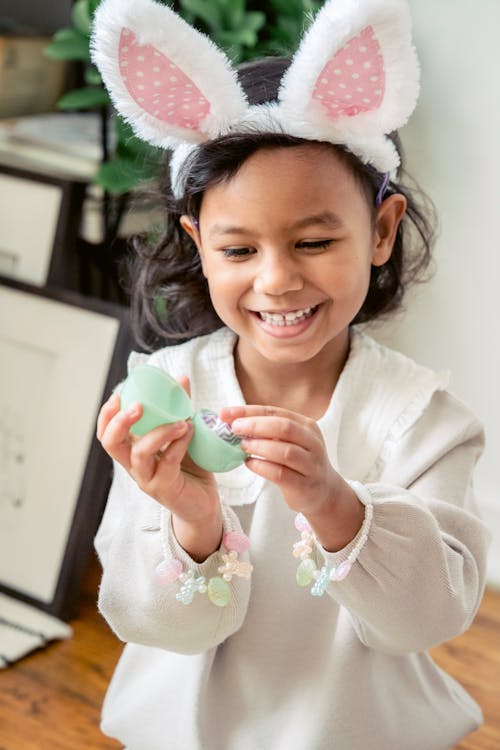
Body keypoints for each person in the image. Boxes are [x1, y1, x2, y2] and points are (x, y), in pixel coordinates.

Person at [92, 0, 490, 748]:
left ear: (379, 230)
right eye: (239, 250)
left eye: (312, 240)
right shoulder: (164, 397)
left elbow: (427, 621)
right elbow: (150, 626)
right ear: (198, 243)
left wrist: (334, 500)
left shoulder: (422, 418)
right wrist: (193, 520)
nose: (276, 282)